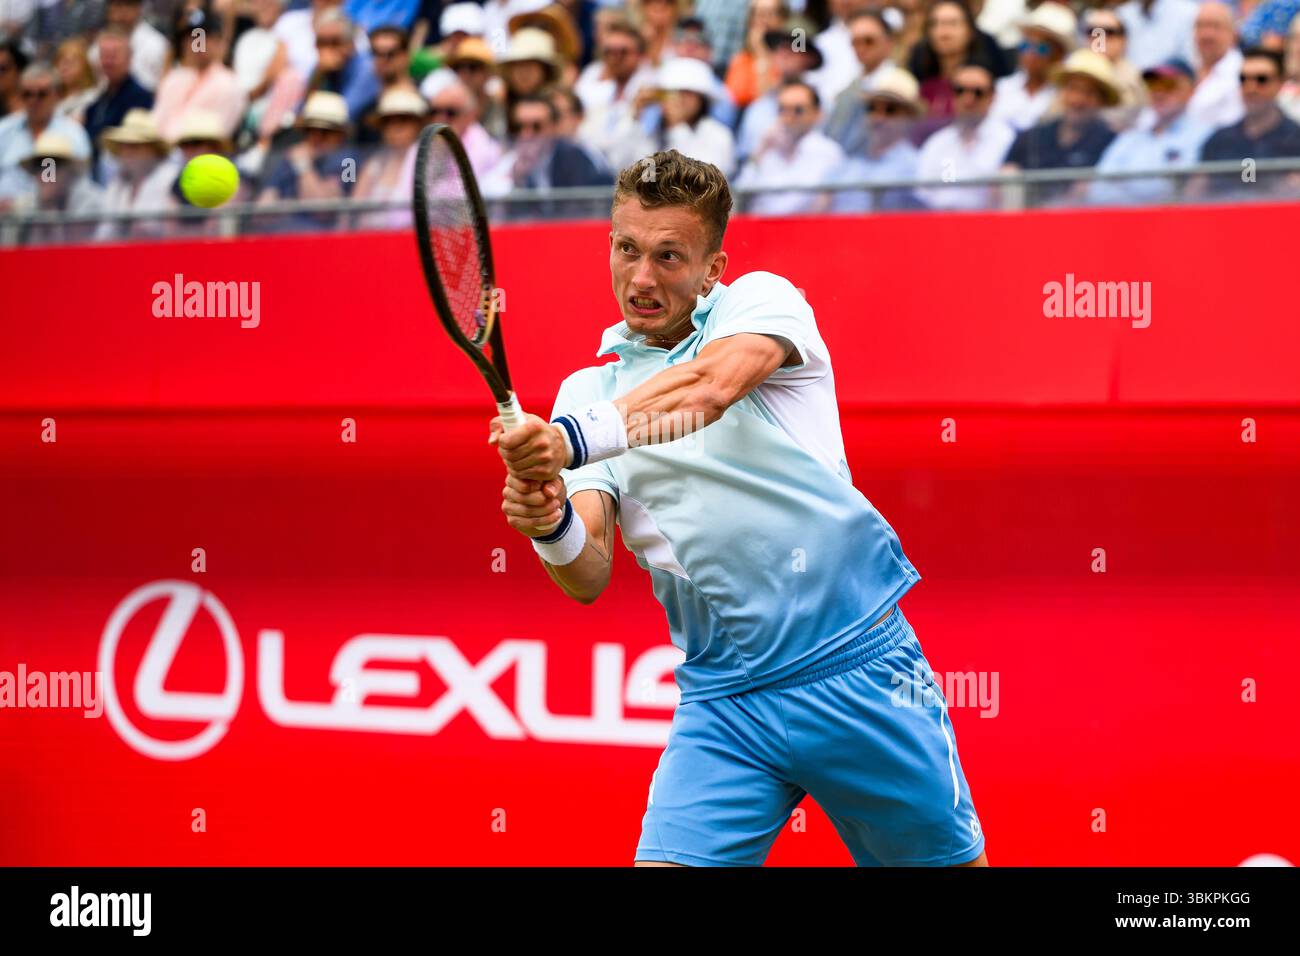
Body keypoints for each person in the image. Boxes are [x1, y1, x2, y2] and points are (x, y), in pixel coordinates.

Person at [490, 148, 988, 869]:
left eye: (669, 256)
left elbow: (706, 390)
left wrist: (567, 442)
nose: (641, 278)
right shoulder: (585, 392)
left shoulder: (762, 301)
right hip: (723, 702)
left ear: (713, 268)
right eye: (627, 249)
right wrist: (548, 522)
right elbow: (588, 572)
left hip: (856, 672)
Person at [1001, 48, 1119, 205]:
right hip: (1023, 223)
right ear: (1061, 92)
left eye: (1089, 93)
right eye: (1072, 88)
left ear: (1102, 101)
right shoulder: (1033, 136)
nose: (1077, 100)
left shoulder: (1112, 142)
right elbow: (1003, 177)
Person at [1088, 58, 1212, 205]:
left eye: (1168, 84)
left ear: (1191, 90)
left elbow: (1187, 191)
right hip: (1126, 221)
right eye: (1153, 84)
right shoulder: (1131, 137)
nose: (1159, 92)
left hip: (1178, 223)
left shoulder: (1205, 136)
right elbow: (1098, 189)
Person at [1188, 47, 1300, 198]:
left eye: (1261, 79)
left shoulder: (1296, 139)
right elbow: (1193, 194)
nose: (1250, 87)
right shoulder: (1219, 140)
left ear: (1280, 83)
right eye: (1243, 79)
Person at [607, 56, 737, 176]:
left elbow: (698, 180)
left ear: (701, 99)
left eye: (687, 93)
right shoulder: (652, 133)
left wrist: (677, 126)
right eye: (671, 93)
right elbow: (620, 164)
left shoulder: (718, 135)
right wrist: (634, 115)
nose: (678, 99)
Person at [734, 78, 845, 215]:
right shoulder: (767, 148)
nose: (788, 116)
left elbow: (809, 206)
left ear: (817, 114)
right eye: (782, 109)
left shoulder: (828, 153)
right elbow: (740, 195)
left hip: (806, 231)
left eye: (798, 110)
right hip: (761, 230)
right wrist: (760, 152)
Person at [915, 61, 1015, 210]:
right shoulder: (938, 142)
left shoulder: (1007, 140)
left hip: (990, 225)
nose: (968, 100)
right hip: (941, 225)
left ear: (993, 97)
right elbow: (923, 195)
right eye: (960, 90)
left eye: (978, 92)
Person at [256, 89, 356, 230]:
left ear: (341, 134)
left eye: (326, 131)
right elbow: (262, 212)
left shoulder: (349, 162)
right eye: (311, 129)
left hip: (325, 242)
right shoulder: (291, 157)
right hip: (282, 238)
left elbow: (323, 210)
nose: (317, 137)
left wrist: (304, 167)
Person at [833, 67, 925, 212]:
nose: (878, 118)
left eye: (890, 110)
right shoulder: (849, 161)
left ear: (910, 117)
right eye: (871, 108)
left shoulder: (918, 167)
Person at [734, 17, 825, 164]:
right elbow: (746, 159)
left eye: (796, 45)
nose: (785, 52)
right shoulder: (759, 107)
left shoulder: (824, 101)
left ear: (811, 58)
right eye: (779, 46)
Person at [0, 61, 92, 205]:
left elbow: (81, 186)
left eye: (42, 94)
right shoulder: (3, 131)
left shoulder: (73, 134)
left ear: (56, 95)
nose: (33, 100)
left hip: (54, 219)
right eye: (27, 94)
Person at [908, 0, 1010, 126]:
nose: (943, 32)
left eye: (952, 24)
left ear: (970, 31)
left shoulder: (985, 82)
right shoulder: (919, 82)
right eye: (934, 24)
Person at [151, 8, 245, 142]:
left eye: (201, 37)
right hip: (160, 153)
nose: (196, 45)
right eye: (191, 38)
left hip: (201, 156)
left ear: (218, 41)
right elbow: (155, 125)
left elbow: (217, 136)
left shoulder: (229, 84)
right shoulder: (174, 79)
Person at [988, 2, 1076, 132]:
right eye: (1025, 45)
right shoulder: (1000, 88)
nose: (1030, 54)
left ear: (1059, 55)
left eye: (1041, 48)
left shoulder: (1063, 98)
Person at [824, 9, 898, 157]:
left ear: (889, 42)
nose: (861, 48)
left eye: (869, 41)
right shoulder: (847, 89)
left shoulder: (900, 84)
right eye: (855, 42)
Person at [84, 25, 154, 180]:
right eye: (104, 55)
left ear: (129, 57)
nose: (108, 62)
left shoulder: (142, 98)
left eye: (114, 55)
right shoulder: (95, 105)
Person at [95, 107, 176, 240]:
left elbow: (173, 232)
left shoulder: (170, 179)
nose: (128, 153)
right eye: (124, 146)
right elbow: (104, 234)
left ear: (153, 150)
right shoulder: (117, 185)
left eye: (135, 146)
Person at [14, 129, 104, 243]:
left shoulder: (91, 204)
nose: (46, 175)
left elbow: (76, 250)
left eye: (52, 166)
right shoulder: (26, 207)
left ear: (69, 171)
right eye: (40, 166)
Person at [352, 86, 424, 228]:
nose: (394, 128)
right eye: (387, 122)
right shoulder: (374, 164)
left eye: (403, 120)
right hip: (371, 241)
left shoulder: (430, 162)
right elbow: (353, 211)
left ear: (418, 124)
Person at [306, 7, 381, 122]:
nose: (328, 50)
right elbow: (302, 111)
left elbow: (343, 115)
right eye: (321, 43)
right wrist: (319, 75)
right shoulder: (319, 69)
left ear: (350, 44)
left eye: (335, 42)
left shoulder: (367, 69)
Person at [1078, 7, 1146, 131]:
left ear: (1123, 40)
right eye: (1093, 32)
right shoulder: (1073, 71)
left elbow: (1118, 124)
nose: (1100, 39)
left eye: (1108, 32)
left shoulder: (1132, 79)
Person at [429, 79, 503, 178]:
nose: (440, 118)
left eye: (450, 112)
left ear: (470, 114)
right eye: (435, 111)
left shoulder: (484, 149)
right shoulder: (423, 144)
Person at [1186, 2, 1244, 129]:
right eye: (1200, 26)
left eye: (1215, 26)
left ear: (1233, 34)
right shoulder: (1185, 68)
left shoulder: (1242, 73)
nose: (1206, 34)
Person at [723, 0, 787, 111]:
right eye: (761, 14)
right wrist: (760, 51)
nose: (766, 20)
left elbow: (769, 98)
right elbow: (737, 97)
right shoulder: (741, 59)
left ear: (782, 19)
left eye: (771, 14)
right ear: (751, 21)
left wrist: (762, 53)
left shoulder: (790, 56)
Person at [104, 0, 168, 92]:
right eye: (116, 5)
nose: (121, 13)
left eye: (127, 5)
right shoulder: (99, 44)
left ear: (139, 8)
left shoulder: (157, 44)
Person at [1114, 0, 1198, 71]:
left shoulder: (1188, 12)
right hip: (1130, 84)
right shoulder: (1122, 14)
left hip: (1170, 83)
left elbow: (1191, 63)